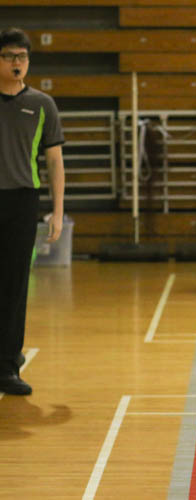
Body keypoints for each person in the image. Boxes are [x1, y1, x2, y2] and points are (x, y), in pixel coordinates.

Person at [0, 28, 65, 395]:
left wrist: (57, 211)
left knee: (14, 286)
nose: (16, 63)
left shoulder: (42, 104)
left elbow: (54, 161)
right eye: (9, 56)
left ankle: (8, 366)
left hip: (22, 201)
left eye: (22, 57)